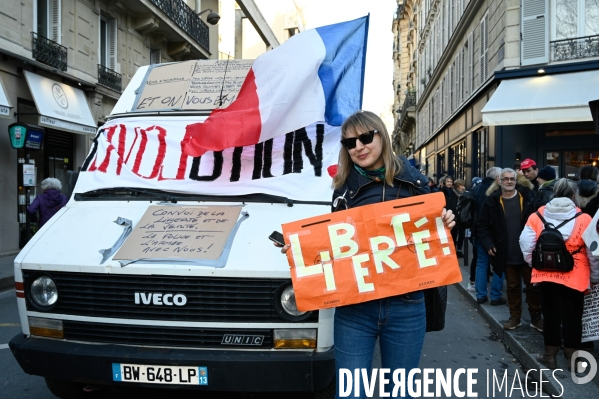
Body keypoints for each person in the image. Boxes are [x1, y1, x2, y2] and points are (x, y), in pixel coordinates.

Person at [277, 110, 455, 398]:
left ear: (381, 136)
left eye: (365, 137)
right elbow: (336, 247)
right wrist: (302, 250)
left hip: (407, 307)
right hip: (355, 308)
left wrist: (445, 222)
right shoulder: (341, 190)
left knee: (400, 393)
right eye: (350, 143)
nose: (358, 147)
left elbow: (431, 239)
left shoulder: (415, 184)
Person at [519, 178, 599, 369]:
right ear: (574, 195)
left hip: (546, 274)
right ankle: (572, 358)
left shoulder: (537, 216)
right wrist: (595, 276)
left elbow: (525, 243)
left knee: (551, 315)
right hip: (577, 275)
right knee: (574, 317)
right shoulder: (584, 218)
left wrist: (535, 264)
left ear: (554, 194)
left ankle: (550, 357)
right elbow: (593, 251)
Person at [477, 168, 543, 331]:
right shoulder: (492, 200)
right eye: (505, 179)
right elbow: (482, 225)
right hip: (505, 252)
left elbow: (541, 221)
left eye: (511, 179)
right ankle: (515, 317)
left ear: (516, 180)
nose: (509, 182)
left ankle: (536, 317)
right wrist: (488, 244)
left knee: (532, 287)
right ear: (499, 181)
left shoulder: (527, 197)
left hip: (528, 252)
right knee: (512, 287)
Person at [473, 167, 506, 304]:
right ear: (497, 177)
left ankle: (480, 295)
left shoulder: (477, 188)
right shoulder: (497, 192)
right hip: (495, 233)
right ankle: (495, 295)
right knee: (499, 263)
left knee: (482, 263)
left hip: (479, 232)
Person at [448, 179, 466, 258]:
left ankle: (459, 250)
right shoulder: (453, 194)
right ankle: (453, 250)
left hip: (462, 217)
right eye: (461, 186)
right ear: (457, 186)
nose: (462, 187)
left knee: (462, 234)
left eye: (463, 185)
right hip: (455, 216)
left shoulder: (465, 194)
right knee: (454, 234)